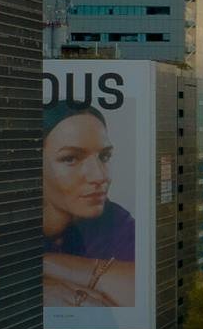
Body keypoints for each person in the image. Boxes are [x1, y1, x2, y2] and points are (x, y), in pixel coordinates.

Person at [42, 101, 137, 307]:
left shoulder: (114, 220)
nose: (100, 176)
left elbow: (141, 293)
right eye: (70, 159)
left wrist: (43, 265)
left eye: (104, 156)